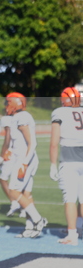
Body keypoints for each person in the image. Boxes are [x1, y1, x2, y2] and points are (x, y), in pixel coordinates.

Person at [4, 92, 47, 238]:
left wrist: (24, 162)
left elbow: (32, 143)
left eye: (8, 103)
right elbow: (19, 142)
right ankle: (30, 227)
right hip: (25, 158)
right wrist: (10, 151)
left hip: (25, 159)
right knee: (26, 194)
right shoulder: (18, 117)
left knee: (13, 190)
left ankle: (38, 219)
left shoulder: (21, 117)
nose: (6, 106)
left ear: (16, 103)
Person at [49, 87, 83, 245]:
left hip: (69, 159)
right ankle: (79, 228)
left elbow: (54, 142)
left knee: (70, 198)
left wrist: (52, 164)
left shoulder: (59, 113)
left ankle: (72, 235)